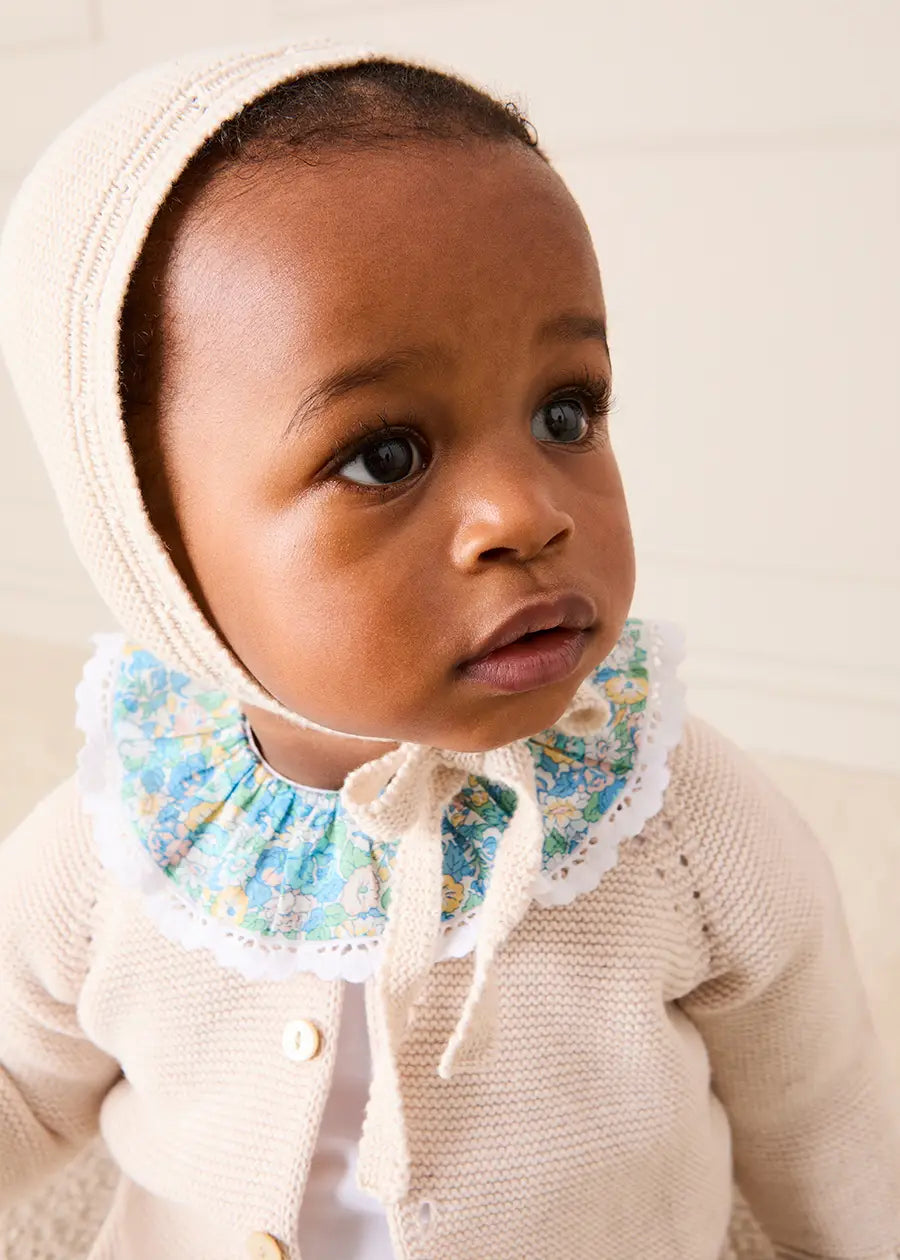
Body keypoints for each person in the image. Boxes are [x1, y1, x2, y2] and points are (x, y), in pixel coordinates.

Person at [0, 34, 897, 1260]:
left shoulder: (670, 821)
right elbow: (17, 1081)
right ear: (149, 536)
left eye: (565, 411)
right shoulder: (122, 847)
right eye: (385, 456)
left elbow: (825, 1112)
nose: (531, 511)